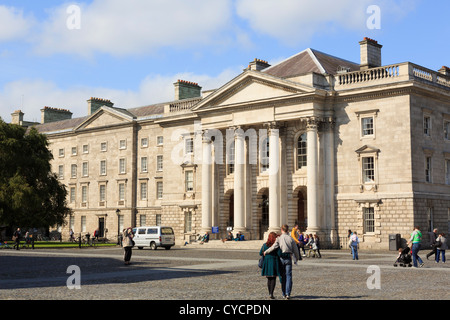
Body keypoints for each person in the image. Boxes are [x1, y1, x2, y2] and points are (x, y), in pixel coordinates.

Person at [264, 225, 301, 300]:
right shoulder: (290, 238)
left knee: (283, 276)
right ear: (287, 230)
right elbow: (296, 250)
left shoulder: (279, 238)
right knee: (289, 276)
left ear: (281, 230)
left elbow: (273, 247)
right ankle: (288, 293)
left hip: (281, 259)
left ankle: (283, 293)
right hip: (288, 258)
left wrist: (266, 251)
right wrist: (296, 258)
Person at [259, 232, 282, 299]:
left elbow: (260, 253)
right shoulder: (276, 245)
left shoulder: (264, 245)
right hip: (274, 262)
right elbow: (279, 254)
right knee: (273, 278)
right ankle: (271, 293)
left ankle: (269, 293)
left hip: (267, 263)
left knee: (269, 279)